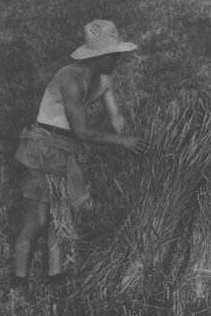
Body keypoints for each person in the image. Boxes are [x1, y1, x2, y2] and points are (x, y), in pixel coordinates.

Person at [10, 20, 149, 291]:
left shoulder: (104, 79)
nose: (117, 58)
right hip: (43, 149)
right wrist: (122, 142)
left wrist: (132, 138)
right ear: (96, 56)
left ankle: (55, 278)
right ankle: (18, 283)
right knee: (37, 220)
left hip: (67, 152)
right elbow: (83, 131)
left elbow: (117, 119)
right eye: (112, 54)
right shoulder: (70, 79)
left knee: (61, 219)